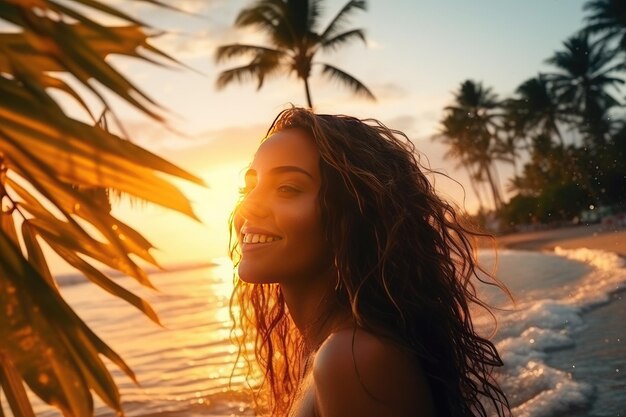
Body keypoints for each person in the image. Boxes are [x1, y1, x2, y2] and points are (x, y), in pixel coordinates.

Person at [229, 107, 510, 417]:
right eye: (249, 186)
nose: (248, 204)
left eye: (287, 188)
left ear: (351, 216)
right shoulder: (332, 349)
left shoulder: (353, 358)